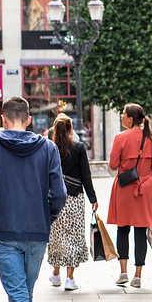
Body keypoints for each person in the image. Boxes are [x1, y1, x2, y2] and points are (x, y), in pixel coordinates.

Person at [0, 97, 67, 302]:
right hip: (37, 230)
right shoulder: (49, 148)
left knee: (19, 297)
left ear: (2, 119)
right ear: (28, 120)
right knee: (24, 296)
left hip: (5, 229)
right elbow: (59, 194)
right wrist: (46, 216)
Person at [108, 103, 152, 288]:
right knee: (141, 230)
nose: (121, 117)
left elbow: (112, 164)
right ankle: (138, 275)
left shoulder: (120, 137)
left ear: (130, 119)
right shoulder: (151, 139)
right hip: (146, 188)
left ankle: (123, 272)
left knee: (122, 228)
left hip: (125, 187)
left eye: (123, 114)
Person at [47, 115, 98, 291]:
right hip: (75, 198)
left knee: (56, 238)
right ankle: (70, 278)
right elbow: (86, 175)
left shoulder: (50, 149)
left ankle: (55, 274)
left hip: (55, 200)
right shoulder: (78, 148)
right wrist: (93, 198)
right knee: (74, 237)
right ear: (70, 130)